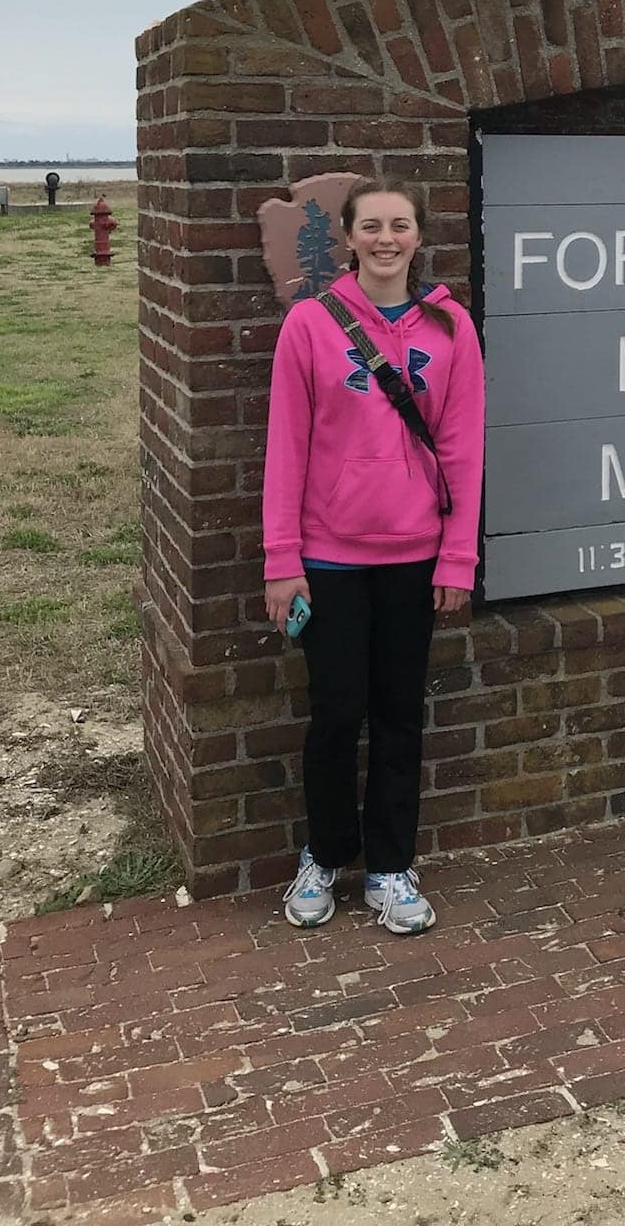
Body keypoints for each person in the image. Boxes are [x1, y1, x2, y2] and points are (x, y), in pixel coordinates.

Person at [261, 180, 485, 930]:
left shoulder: (451, 327)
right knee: (335, 714)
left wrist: (457, 561)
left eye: (400, 225)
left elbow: (462, 449)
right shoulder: (310, 325)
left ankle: (390, 866)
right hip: (328, 557)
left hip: (415, 555)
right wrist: (280, 558)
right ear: (349, 238)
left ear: (419, 237)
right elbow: (286, 449)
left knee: (398, 715)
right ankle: (323, 856)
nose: (386, 238)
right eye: (371, 227)